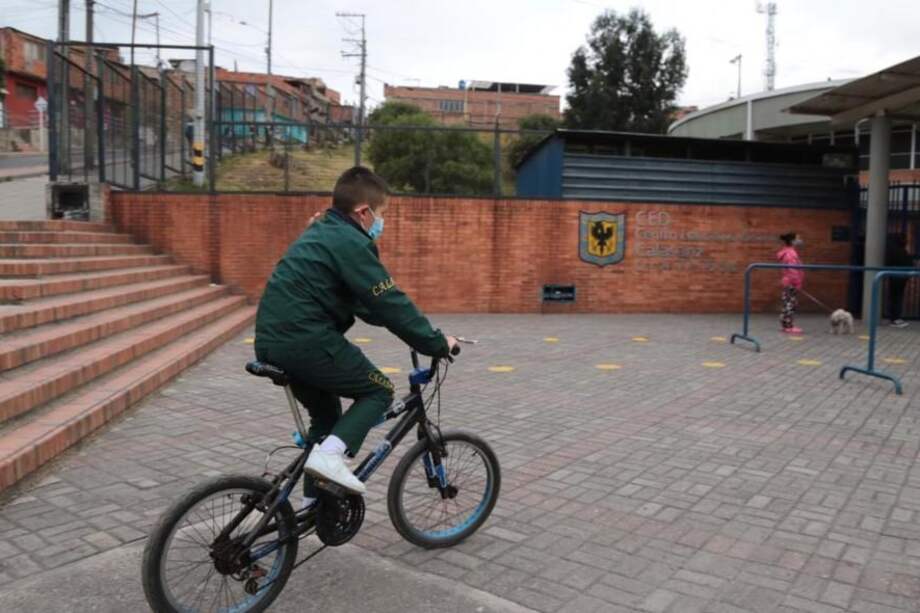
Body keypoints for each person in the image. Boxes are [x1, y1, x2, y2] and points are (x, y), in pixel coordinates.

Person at [254, 166, 457, 497]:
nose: (381, 223)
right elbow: (389, 301)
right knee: (378, 390)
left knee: (327, 420)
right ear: (364, 212)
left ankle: (310, 507)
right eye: (381, 214)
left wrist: (408, 328)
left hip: (273, 340)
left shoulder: (323, 232)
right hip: (305, 340)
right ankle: (331, 458)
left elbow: (369, 307)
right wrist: (435, 342)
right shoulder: (350, 241)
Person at [777, 232, 805, 334]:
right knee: (790, 304)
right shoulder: (791, 253)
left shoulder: (788, 252)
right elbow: (793, 270)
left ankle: (786, 324)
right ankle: (788, 326)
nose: (800, 240)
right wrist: (797, 283)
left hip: (788, 281)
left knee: (787, 303)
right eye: (798, 238)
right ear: (793, 241)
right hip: (791, 282)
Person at [885, 234, 914, 328]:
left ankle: (894, 318)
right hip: (902, 277)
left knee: (894, 298)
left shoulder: (892, 251)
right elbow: (910, 263)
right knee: (897, 298)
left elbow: (887, 263)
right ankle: (896, 319)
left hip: (894, 277)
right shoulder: (903, 251)